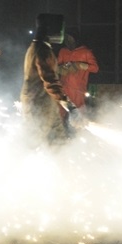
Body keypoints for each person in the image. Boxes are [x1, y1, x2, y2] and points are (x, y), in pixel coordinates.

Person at [20, 13, 85, 146]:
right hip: (38, 106)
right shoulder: (42, 51)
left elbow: (49, 73)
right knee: (34, 145)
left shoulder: (37, 47)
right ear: (51, 29)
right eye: (60, 29)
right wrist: (70, 106)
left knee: (58, 143)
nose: (62, 33)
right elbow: (50, 81)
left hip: (44, 103)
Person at [57, 29, 99, 110]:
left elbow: (95, 68)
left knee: (78, 112)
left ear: (76, 40)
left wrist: (79, 65)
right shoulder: (63, 51)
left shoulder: (86, 52)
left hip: (78, 90)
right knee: (62, 111)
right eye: (66, 39)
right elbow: (56, 66)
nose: (68, 41)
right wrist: (61, 69)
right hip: (63, 88)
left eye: (70, 39)